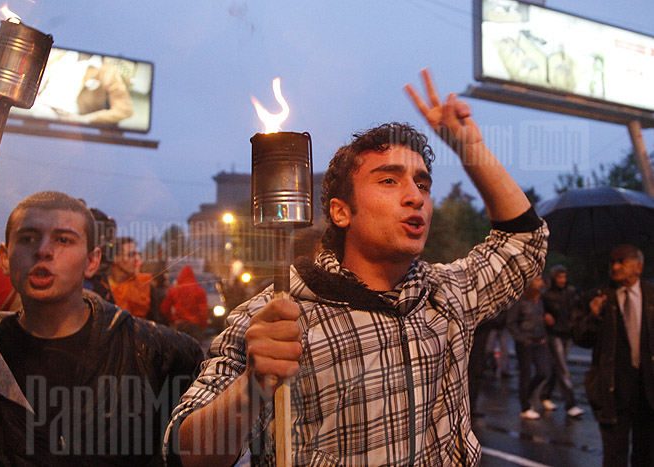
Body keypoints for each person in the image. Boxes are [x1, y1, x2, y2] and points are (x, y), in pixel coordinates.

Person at [164, 69, 547, 466]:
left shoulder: (447, 294)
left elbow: (525, 243)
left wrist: (472, 147)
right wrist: (251, 387)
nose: (414, 196)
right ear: (341, 212)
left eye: (423, 184)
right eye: (388, 181)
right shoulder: (275, 316)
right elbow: (188, 455)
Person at [0, 191, 204, 465]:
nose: (43, 250)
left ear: (92, 261)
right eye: (28, 238)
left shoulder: (159, 354)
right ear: (4, 257)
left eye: (63, 239)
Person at [572, 244, 654, 466]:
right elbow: (580, 338)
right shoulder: (599, 297)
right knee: (614, 456)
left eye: (622, 261)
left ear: (639, 266)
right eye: (612, 262)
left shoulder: (651, 296)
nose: (615, 266)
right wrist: (594, 316)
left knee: (646, 454)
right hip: (612, 389)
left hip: (647, 391)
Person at [540, 265, 584, 417]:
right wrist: (545, 316)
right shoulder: (546, 295)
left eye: (564, 277)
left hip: (566, 333)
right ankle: (570, 403)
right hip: (554, 334)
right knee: (563, 368)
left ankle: (545, 394)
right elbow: (539, 311)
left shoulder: (570, 292)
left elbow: (578, 307)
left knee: (557, 366)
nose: (562, 280)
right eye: (559, 277)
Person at [506, 276, 552, 420]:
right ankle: (525, 406)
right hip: (526, 341)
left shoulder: (541, 299)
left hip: (540, 340)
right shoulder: (521, 300)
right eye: (537, 280)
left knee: (543, 372)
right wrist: (522, 339)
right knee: (525, 373)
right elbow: (511, 322)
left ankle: (528, 394)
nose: (541, 283)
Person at [109, 236, 165, 324]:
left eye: (137, 254)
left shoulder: (145, 285)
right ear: (115, 258)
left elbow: (157, 323)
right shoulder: (102, 288)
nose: (137, 259)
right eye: (131, 255)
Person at [160, 264, 209, 337]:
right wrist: (202, 325)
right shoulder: (200, 291)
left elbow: (164, 308)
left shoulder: (174, 290)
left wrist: (172, 319)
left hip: (178, 325)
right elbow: (203, 312)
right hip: (194, 327)